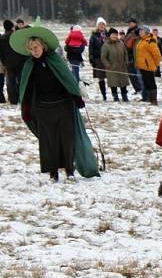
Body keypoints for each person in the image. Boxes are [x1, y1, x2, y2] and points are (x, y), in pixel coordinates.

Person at [12, 21, 99, 181]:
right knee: (48, 141)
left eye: (36, 48)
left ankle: (69, 169)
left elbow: (67, 80)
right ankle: (53, 172)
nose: (34, 51)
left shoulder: (56, 60)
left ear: (43, 46)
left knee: (66, 138)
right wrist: (25, 108)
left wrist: (76, 96)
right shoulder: (29, 65)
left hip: (63, 106)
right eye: (31, 49)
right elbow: (27, 89)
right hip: (43, 108)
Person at [100, 27, 130, 101]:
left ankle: (125, 97)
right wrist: (108, 65)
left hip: (122, 67)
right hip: (112, 67)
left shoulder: (121, 43)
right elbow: (103, 57)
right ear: (109, 35)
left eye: (116, 35)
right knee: (113, 83)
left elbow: (125, 53)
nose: (114, 36)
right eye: (113, 35)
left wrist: (126, 62)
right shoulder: (106, 45)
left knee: (123, 83)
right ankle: (115, 97)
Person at [134, 26, 162, 105]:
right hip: (142, 66)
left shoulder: (150, 41)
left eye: (141, 31)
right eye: (140, 31)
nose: (140, 32)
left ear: (146, 32)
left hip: (148, 66)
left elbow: (157, 55)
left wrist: (154, 64)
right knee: (146, 83)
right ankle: (150, 99)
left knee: (151, 83)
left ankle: (154, 100)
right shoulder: (142, 40)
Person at [123, 18, 144, 98]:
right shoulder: (130, 31)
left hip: (133, 55)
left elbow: (130, 44)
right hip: (129, 55)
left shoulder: (137, 31)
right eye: (128, 23)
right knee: (131, 74)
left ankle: (140, 89)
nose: (129, 24)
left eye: (130, 23)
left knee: (135, 73)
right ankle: (138, 89)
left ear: (134, 23)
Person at [88, 18, 108, 100]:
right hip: (98, 59)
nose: (101, 26)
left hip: (108, 59)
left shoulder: (109, 34)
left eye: (103, 24)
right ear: (97, 26)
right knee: (101, 78)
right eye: (100, 24)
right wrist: (91, 58)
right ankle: (104, 95)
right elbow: (91, 48)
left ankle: (115, 94)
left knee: (111, 76)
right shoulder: (94, 35)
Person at [0, 20, 16, 102]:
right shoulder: (16, 35)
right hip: (19, 62)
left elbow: (1, 52)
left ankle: (12, 99)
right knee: (19, 81)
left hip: (8, 63)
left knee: (10, 82)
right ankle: (20, 98)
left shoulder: (2, 37)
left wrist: (3, 62)